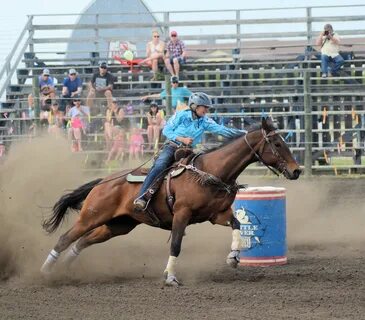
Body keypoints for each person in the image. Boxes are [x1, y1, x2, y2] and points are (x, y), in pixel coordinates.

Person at [134, 92, 245, 211]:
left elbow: (222, 130)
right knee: (159, 165)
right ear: (195, 106)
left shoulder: (205, 121)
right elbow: (166, 130)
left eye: (207, 108)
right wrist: (182, 139)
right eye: (205, 107)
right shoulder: (181, 115)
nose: (206, 110)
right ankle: (142, 197)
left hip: (190, 150)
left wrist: (246, 134)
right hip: (172, 146)